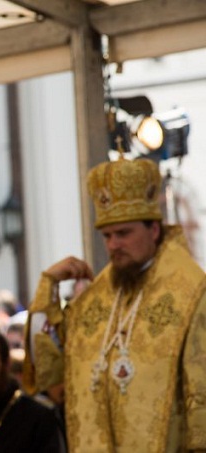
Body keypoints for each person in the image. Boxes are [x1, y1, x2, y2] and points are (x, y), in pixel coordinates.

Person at [24, 156, 206, 453]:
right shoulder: (95, 299)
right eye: (107, 236)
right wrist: (49, 287)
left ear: (154, 230)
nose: (113, 245)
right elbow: (48, 370)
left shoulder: (192, 293)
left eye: (123, 233)